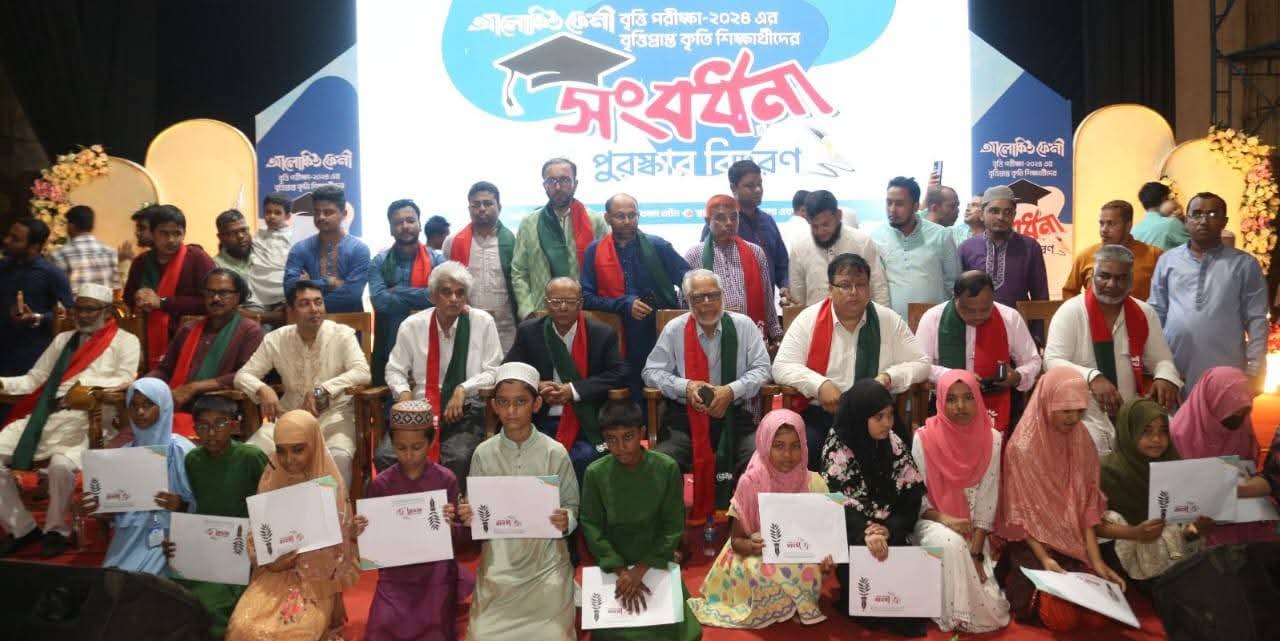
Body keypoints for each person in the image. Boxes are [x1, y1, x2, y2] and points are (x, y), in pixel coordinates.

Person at [0, 283, 139, 557]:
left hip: (91, 420)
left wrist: (82, 390)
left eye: (90, 310)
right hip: (46, 417)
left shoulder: (126, 341)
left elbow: (126, 379)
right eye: (79, 309)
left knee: (61, 465)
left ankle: (58, 530)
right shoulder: (64, 340)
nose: (82, 315)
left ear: (107, 311)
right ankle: (22, 528)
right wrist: (3, 383)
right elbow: (34, 379)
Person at [994, 368, 1127, 631]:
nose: (1074, 418)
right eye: (1066, 411)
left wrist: (1096, 561)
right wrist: (1045, 560)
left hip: (1072, 540)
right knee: (1060, 617)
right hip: (1032, 544)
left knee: (1099, 615)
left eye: (1080, 411)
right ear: (1046, 402)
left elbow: (1086, 506)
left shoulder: (1082, 441)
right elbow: (1020, 515)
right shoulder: (1022, 448)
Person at [773, 254, 929, 469]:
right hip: (823, 414)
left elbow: (921, 363)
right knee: (807, 449)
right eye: (845, 285)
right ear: (830, 289)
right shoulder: (809, 319)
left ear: (869, 287)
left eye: (861, 285)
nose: (854, 292)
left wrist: (889, 377)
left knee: (899, 460)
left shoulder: (888, 320)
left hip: (875, 416)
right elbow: (781, 366)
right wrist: (820, 385)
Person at [641, 269, 772, 518]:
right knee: (662, 461)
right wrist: (686, 386)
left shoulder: (743, 326)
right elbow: (651, 372)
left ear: (723, 295)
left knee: (760, 457)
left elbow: (763, 369)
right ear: (687, 300)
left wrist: (731, 391)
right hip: (684, 419)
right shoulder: (675, 329)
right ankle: (673, 529)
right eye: (698, 297)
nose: (707, 303)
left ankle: (747, 525)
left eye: (713, 295)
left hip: (734, 416)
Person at [689, 408, 835, 628]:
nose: (788, 455)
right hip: (755, 553)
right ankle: (784, 604)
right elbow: (736, 540)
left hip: (799, 554)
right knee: (763, 570)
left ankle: (789, 603)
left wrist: (826, 556)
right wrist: (751, 545)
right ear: (765, 445)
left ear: (804, 446)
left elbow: (825, 536)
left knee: (809, 568)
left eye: (795, 446)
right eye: (779, 446)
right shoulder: (751, 482)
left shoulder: (813, 483)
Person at [465, 362, 579, 641]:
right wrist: (469, 514)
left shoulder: (555, 452)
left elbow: (572, 506)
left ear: (536, 404)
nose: (511, 411)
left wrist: (566, 519)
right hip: (499, 566)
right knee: (481, 636)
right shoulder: (483, 453)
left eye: (520, 402)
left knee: (553, 637)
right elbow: (476, 510)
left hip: (546, 564)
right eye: (503, 402)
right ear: (494, 405)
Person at [225, 410, 360, 641]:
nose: (289, 459)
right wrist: (271, 563)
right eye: (281, 450)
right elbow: (257, 533)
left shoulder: (329, 485)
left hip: (316, 581)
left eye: (298, 449)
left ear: (314, 445)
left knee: (295, 633)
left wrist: (350, 533)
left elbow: (339, 552)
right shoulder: (271, 478)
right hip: (273, 575)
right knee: (242, 626)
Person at [579, 400, 701, 641]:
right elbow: (591, 525)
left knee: (672, 631)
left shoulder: (666, 468)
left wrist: (641, 569)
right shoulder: (595, 473)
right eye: (611, 439)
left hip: (655, 557)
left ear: (642, 432)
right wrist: (621, 571)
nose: (621, 447)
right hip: (614, 559)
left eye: (628, 437)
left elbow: (672, 525)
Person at [353, 400, 473, 641]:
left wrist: (451, 528)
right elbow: (373, 542)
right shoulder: (381, 484)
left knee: (434, 631)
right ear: (392, 444)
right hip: (395, 574)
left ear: (431, 442)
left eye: (417, 447)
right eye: (400, 448)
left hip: (435, 572)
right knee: (381, 630)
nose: (408, 455)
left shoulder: (446, 479)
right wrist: (359, 532)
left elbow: (462, 537)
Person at [1045, 245, 1182, 454]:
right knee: (1092, 442)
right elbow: (1052, 360)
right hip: (1085, 410)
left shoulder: (1144, 312)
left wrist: (1164, 376)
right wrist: (1092, 377)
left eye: (1120, 278)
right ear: (1093, 275)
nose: (1111, 284)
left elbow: (1161, 359)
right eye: (1104, 276)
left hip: (1133, 407)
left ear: (1131, 280)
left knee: (1174, 431)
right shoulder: (1071, 311)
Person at [235, 280, 371, 489]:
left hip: (334, 417)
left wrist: (323, 389)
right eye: (305, 304)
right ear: (290, 311)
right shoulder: (276, 339)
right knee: (251, 454)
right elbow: (242, 375)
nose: (314, 309)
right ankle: (270, 510)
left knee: (339, 457)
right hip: (288, 418)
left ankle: (335, 510)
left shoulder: (342, 334)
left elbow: (362, 372)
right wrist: (263, 389)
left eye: (318, 302)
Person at [822, 380, 927, 637]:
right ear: (860, 416)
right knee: (869, 611)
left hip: (890, 530)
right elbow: (836, 503)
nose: (887, 423)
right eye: (878, 417)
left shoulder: (893, 443)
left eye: (890, 415)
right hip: (855, 536)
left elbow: (911, 494)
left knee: (908, 614)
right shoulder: (837, 448)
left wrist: (889, 529)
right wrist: (867, 532)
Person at [910, 371, 1010, 633]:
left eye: (968, 397)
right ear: (940, 401)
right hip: (932, 522)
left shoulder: (992, 438)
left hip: (974, 534)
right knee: (950, 543)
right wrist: (946, 520)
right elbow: (917, 500)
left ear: (978, 398)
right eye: (952, 399)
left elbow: (988, 500)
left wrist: (976, 553)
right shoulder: (923, 438)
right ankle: (952, 612)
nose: (960, 406)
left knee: (993, 607)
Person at [384, 261, 501, 481]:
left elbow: (494, 371)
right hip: (419, 409)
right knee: (386, 456)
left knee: (458, 456)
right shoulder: (412, 325)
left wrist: (463, 389)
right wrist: (404, 395)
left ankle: (452, 503)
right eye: (446, 292)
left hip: (466, 409)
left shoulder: (482, 322)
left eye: (460, 293)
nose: (454, 298)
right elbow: (394, 369)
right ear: (433, 296)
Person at [165, 394, 270, 638]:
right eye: (203, 427)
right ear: (195, 430)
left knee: (215, 608)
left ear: (234, 425)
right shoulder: (193, 460)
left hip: (240, 551)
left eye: (220, 424)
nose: (211, 433)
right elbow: (195, 508)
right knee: (178, 602)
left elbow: (267, 502)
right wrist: (180, 532)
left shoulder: (250, 457)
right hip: (205, 551)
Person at [505, 277, 629, 481]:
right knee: (531, 455)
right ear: (546, 303)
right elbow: (508, 370)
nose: (563, 307)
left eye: (570, 302)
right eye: (556, 301)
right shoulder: (529, 332)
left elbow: (620, 374)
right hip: (538, 420)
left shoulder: (601, 334)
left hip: (586, 422)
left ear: (580, 304)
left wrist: (573, 390)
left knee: (586, 457)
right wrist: (536, 385)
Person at [1150, 192, 1268, 395]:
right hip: (1175, 369)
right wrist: (1154, 365)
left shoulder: (1244, 264)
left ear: (1224, 222)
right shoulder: (1168, 260)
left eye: (1212, 214)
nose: (1203, 221)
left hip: (1226, 369)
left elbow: (1257, 319)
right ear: (1186, 220)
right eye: (1196, 214)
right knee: (1175, 416)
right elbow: (1156, 313)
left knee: (1223, 415)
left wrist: (1255, 368)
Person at [581, 193, 690, 403]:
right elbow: (585, 297)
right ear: (607, 218)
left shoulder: (657, 246)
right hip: (613, 336)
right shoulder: (594, 250)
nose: (627, 221)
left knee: (659, 395)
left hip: (656, 335)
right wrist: (624, 304)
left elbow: (688, 280)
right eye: (620, 216)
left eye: (632, 215)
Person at [84, 379, 196, 575]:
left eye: (148, 404)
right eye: (133, 406)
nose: (140, 412)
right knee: (111, 581)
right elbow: (117, 507)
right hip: (130, 536)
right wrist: (98, 508)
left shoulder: (182, 450)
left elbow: (205, 504)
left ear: (164, 406)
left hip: (172, 537)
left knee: (146, 585)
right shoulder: (124, 454)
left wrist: (181, 505)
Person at [1096, 398, 1209, 583]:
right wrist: (1134, 533)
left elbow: (1181, 532)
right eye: (1146, 431)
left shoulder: (1173, 464)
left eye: (1163, 431)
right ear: (1128, 431)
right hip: (1124, 574)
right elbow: (1090, 525)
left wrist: (1195, 530)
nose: (1157, 439)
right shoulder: (1107, 473)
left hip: (1174, 570)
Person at [915, 271, 1040, 432]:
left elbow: (1033, 360)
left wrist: (1018, 376)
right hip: (949, 401)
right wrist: (956, 377)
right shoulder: (933, 318)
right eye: (969, 310)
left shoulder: (1010, 317)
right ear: (955, 298)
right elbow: (920, 365)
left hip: (998, 401)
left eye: (985, 309)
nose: (978, 316)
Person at [147, 269, 265, 434]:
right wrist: (143, 384)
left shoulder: (249, 331)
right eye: (210, 292)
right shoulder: (188, 329)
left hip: (221, 411)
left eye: (223, 293)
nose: (215, 298)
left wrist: (193, 388)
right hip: (176, 404)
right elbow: (165, 370)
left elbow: (246, 375)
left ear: (238, 297)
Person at [1169, 366, 1277, 546]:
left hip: (1241, 513)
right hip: (1194, 524)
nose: (1238, 416)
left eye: (1243, 410)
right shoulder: (1180, 434)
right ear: (1211, 401)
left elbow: (1251, 473)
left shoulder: (1243, 428)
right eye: (1231, 409)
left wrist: (1237, 490)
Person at [510, 157, 608, 320]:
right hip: (541, 313)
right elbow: (519, 271)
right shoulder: (529, 223)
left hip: (585, 313)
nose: (557, 187)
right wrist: (527, 310)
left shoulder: (595, 221)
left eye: (564, 180)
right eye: (551, 181)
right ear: (544, 185)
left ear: (575, 184)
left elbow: (606, 269)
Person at [123, 204, 217, 370]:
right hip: (148, 341)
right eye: (164, 233)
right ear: (152, 234)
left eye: (177, 233)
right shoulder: (141, 262)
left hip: (193, 340)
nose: (171, 240)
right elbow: (128, 300)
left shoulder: (198, 259)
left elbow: (213, 302)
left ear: (184, 233)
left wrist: (163, 302)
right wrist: (139, 297)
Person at [684, 195, 782, 345]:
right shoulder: (694, 255)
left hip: (751, 334)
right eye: (720, 218)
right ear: (708, 221)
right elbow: (685, 303)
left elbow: (767, 297)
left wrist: (776, 335)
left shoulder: (755, 252)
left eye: (733, 217)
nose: (729, 223)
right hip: (709, 337)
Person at [369, 199, 445, 386]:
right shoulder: (379, 262)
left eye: (410, 220)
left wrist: (398, 291)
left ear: (419, 224)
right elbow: (380, 301)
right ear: (391, 229)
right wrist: (422, 297)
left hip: (431, 342)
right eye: (398, 222)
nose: (405, 226)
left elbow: (439, 297)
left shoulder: (437, 261)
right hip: (389, 343)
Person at [700, 159, 791, 305]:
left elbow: (782, 263)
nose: (758, 190)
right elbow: (707, 268)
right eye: (750, 185)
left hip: (764, 305)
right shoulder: (719, 225)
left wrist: (785, 285)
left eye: (760, 184)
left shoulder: (768, 221)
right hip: (729, 308)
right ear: (733, 188)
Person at [870, 177, 961, 318]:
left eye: (900, 204)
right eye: (889, 203)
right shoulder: (876, 236)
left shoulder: (941, 235)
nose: (892, 210)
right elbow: (876, 284)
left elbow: (953, 283)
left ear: (915, 206)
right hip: (893, 322)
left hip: (933, 321)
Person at [443, 181, 519, 351]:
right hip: (466, 324)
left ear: (499, 207)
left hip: (507, 328)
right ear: (469, 208)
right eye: (475, 205)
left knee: (507, 368)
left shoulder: (515, 240)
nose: (482, 209)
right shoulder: (453, 242)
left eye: (488, 203)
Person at [957, 185, 1049, 323]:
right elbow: (958, 296)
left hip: (1018, 326)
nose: (1001, 217)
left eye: (1007, 212)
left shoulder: (1030, 247)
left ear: (1014, 215)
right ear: (982, 214)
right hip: (976, 326)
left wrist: (1037, 333)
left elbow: (1040, 297)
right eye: (994, 211)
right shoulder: (967, 248)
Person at [787, 190, 889, 309]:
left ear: (839, 215)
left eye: (825, 224)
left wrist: (883, 319)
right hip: (816, 319)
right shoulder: (799, 247)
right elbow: (798, 298)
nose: (820, 231)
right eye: (814, 226)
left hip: (860, 319)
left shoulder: (862, 243)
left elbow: (879, 288)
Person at [1, 217, 73, 375]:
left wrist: (37, 317)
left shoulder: (52, 274)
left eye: (15, 239)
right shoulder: (3, 267)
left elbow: (69, 315)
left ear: (34, 247)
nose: (6, 241)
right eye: (9, 235)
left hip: (30, 357)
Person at [283, 184, 370, 313]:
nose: (321, 217)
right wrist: (330, 282)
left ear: (344, 214)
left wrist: (310, 286)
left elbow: (353, 294)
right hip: (308, 323)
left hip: (350, 322)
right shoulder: (300, 249)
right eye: (317, 212)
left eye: (328, 212)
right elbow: (290, 288)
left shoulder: (359, 250)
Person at [1062, 201, 1163, 300]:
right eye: (1101, 223)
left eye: (1111, 224)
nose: (1104, 230)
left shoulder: (1154, 255)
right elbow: (1070, 292)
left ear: (1128, 226)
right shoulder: (1085, 256)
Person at [48, 205, 120, 291]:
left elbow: (56, 289)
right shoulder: (111, 252)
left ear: (71, 226)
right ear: (92, 226)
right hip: (105, 300)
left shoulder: (58, 254)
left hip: (74, 300)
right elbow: (116, 288)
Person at [248, 192, 293, 326]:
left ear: (288, 216)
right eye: (268, 212)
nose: (272, 216)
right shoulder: (257, 236)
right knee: (255, 329)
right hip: (256, 294)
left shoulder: (294, 237)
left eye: (277, 213)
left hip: (283, 295)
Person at [1131, 181, 1189, 251]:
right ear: (1164, 199)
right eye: (1170, 198)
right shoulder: (1171, 223)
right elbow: (1196, 248)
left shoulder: (1133, 231)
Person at [117, 207, 155, 287]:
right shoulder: (146, 257)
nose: (137, 233)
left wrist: (125, 263)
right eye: (137, 228)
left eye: (142, 228)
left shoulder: (163, 259)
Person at [213, 209, 254, 282]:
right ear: (221, 237)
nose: (241, 236)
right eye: (232, 233)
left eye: (243, 230)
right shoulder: (216, 267)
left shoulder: (261, 257)